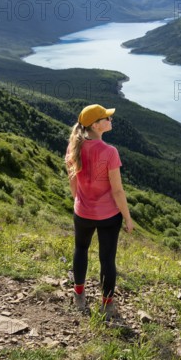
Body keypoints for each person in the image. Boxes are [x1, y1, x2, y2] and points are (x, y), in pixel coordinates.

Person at [65, 104, 134, 318]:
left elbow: (73, 181)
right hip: (108, 216)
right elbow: (118, 191)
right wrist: (127, 217)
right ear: (96, 125)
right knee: (107, 259)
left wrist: (78, 201)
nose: (110, 120)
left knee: (81, 249)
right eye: (106, 118)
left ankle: (79, 295)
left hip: (82, 212)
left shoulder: (74, 146)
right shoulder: (109, 152)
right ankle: (107, 305)